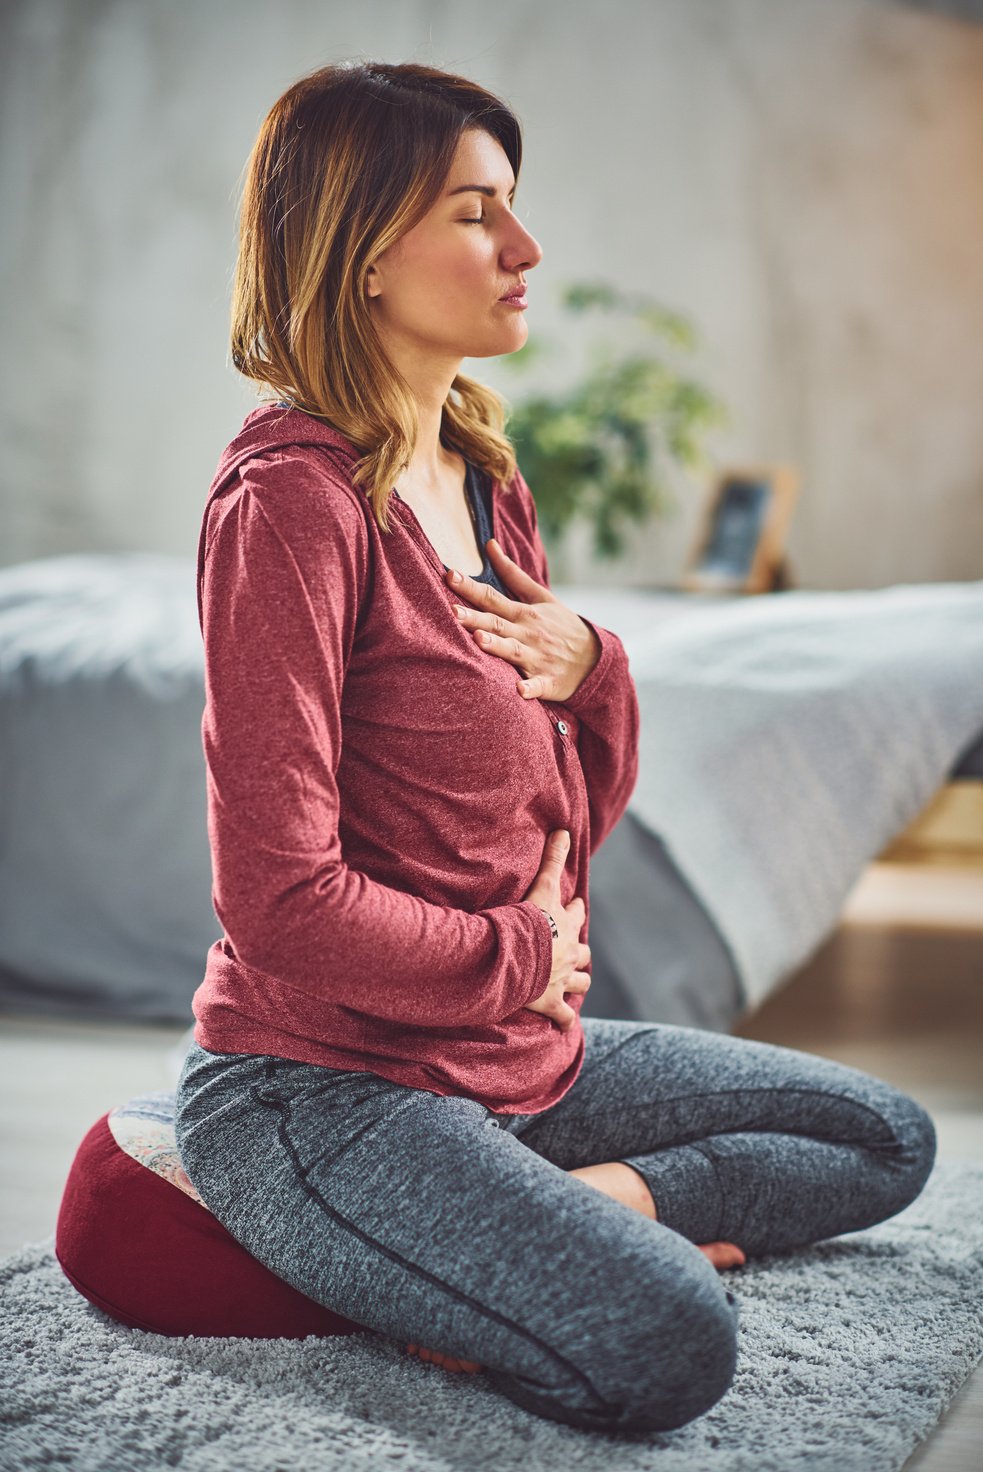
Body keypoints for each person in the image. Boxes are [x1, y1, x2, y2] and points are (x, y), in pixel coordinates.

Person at [174, 59, 937, 1436]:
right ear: (360, 252)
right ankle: (438, 1258)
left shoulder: (484, 476)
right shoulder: (286, 507)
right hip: (327, 1089)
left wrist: (596, 667)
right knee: (668, 1338)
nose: (525, 251)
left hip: (519, 1059)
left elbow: (569, 815)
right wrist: (520, 959)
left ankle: (569, 1218)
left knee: (889, 1138)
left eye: (513, 208)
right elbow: (277, 908)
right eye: (477, 214)